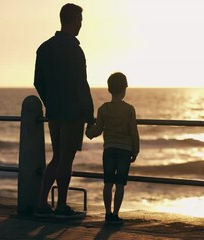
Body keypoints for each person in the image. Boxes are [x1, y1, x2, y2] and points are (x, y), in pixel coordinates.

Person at [33, 3, 94, 218]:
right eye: (80, 21)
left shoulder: (45, 48)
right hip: (72, 112)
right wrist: (89, 114)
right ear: (74, 21)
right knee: (66, 158)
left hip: (54, 111)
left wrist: (50, 101)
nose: (81, 26)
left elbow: (37, 81)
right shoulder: (74, 50)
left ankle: (41, 203)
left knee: (57, 156)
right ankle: (61, 206)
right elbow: (81, 84)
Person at [86, 72, 140, 224]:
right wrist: (135, 150)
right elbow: (133, 132)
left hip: (109, 150)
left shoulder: (103, 109)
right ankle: (116, 214)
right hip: (125, 151)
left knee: (108, 183)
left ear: (109, 89)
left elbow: (96, 131)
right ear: (125, 89)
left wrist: (88, 130)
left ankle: (108, 213)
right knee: (120, 184)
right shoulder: (129, 109)